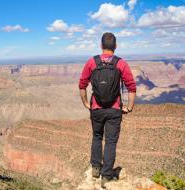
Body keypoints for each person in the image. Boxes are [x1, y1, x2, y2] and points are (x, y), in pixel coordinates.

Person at [79, 32, 136, 188]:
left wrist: (85, 103)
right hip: (114, 109)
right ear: (115, 47)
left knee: (97, 136)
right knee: (110, 141)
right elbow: (131, 87)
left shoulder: (92, 62)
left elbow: (82, 85)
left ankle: (95, 169)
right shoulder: (121, 64)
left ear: (101, 46)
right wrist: (129, 107)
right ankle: (106, 176)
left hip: (96, 109)